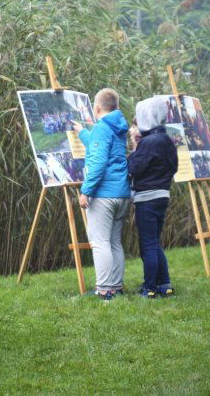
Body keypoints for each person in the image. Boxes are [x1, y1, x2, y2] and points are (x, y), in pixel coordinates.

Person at [72, 88, 130, 300]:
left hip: (104, 194)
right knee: (114, 241)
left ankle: (105, 290)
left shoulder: (101, 128)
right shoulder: (117, 126)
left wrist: (86, 190)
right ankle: (116, 286)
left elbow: (97, 161)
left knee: (100, 242)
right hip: (121, 193)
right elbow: (100, 147)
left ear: (96, 108)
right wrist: (82, 132)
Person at [127, 97, 178, 298]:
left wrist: (133, 148)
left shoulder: (148, 142)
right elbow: (174, 166)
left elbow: (132, 168)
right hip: (162, 195)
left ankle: (149, 288)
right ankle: (165, 284)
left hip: (147, 198)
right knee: (155, 242)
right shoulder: (166, 139)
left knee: (147, 244)